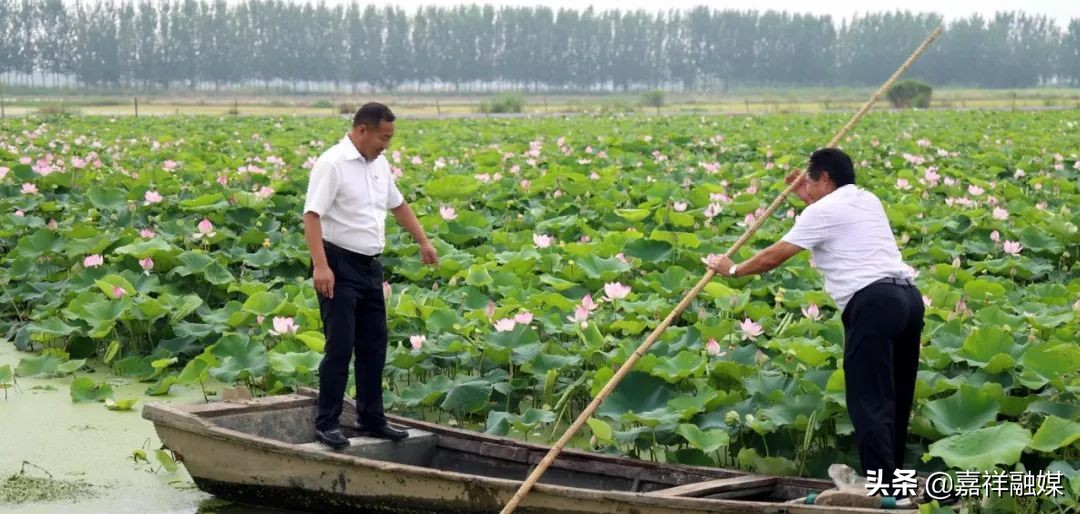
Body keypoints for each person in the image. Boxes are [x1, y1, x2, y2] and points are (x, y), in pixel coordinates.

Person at [707, 148, 923, 492]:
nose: (805, 186)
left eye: (810, 180)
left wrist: (732, 270)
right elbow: (829, 218)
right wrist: (805, 195)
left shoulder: (821, 211)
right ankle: (894, 482)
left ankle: (883, 489)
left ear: (825, 178)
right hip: (909, 299)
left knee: (869, 399)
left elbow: (774, 256)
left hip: (874, 303)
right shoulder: (868, 199)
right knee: (895, 396)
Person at [303, 102, 438, 449]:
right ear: (362, 130)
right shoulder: (332, 163)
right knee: (339, 347)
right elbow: (312, 215)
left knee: (374, 346)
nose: (386, 145)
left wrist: (423, 241)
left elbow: (398, 205)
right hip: (338, 264)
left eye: (390, 138)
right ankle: (327, 423)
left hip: (370, 266)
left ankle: (371, 419)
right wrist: (321, 266)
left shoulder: (379, 164)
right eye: (383, 137)